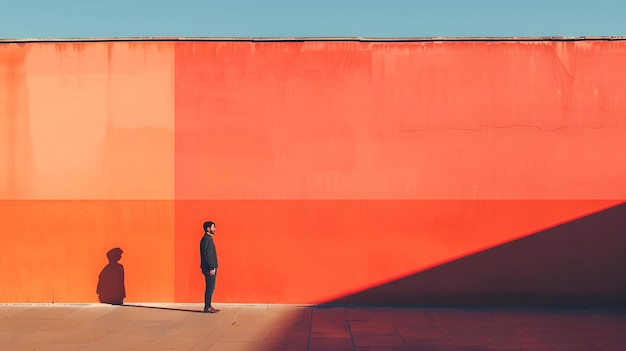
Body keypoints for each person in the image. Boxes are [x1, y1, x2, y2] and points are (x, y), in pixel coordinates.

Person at [200, 221, 220, 313]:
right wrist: (212, 268)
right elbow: (208, 255)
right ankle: (207, 307)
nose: (214, 229)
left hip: (209, 267)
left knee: (210, 287)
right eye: (213, 227)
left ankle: (208, 306)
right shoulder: (207, 240)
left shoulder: (207, 239)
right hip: (209, 268)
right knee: (209, 287)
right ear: (208, 229)